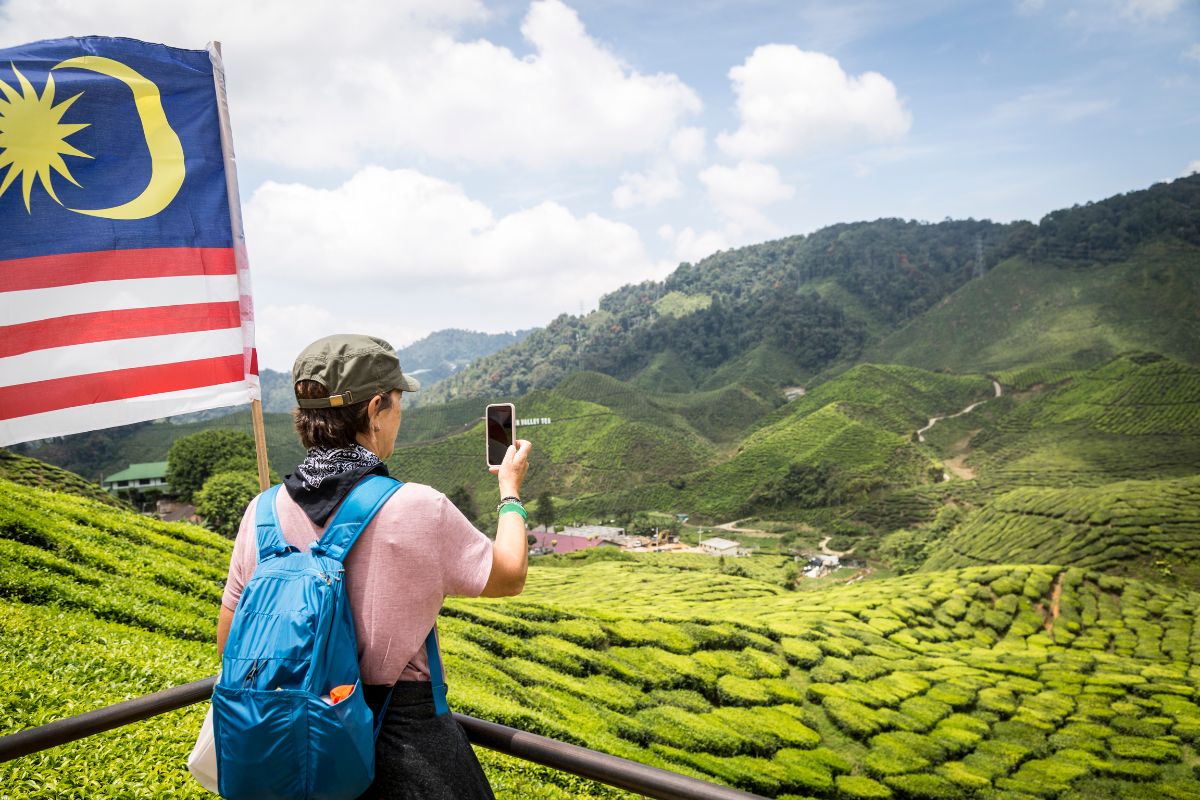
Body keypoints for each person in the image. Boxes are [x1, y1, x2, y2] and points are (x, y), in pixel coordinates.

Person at [217, 334, 531, 800]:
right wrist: (510, 492)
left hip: (295, 744)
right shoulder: (418, 506)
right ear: (376, 408)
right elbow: (509, 574)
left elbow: (230, 643)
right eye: (398, 403)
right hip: (403, 747)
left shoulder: (261, 512)